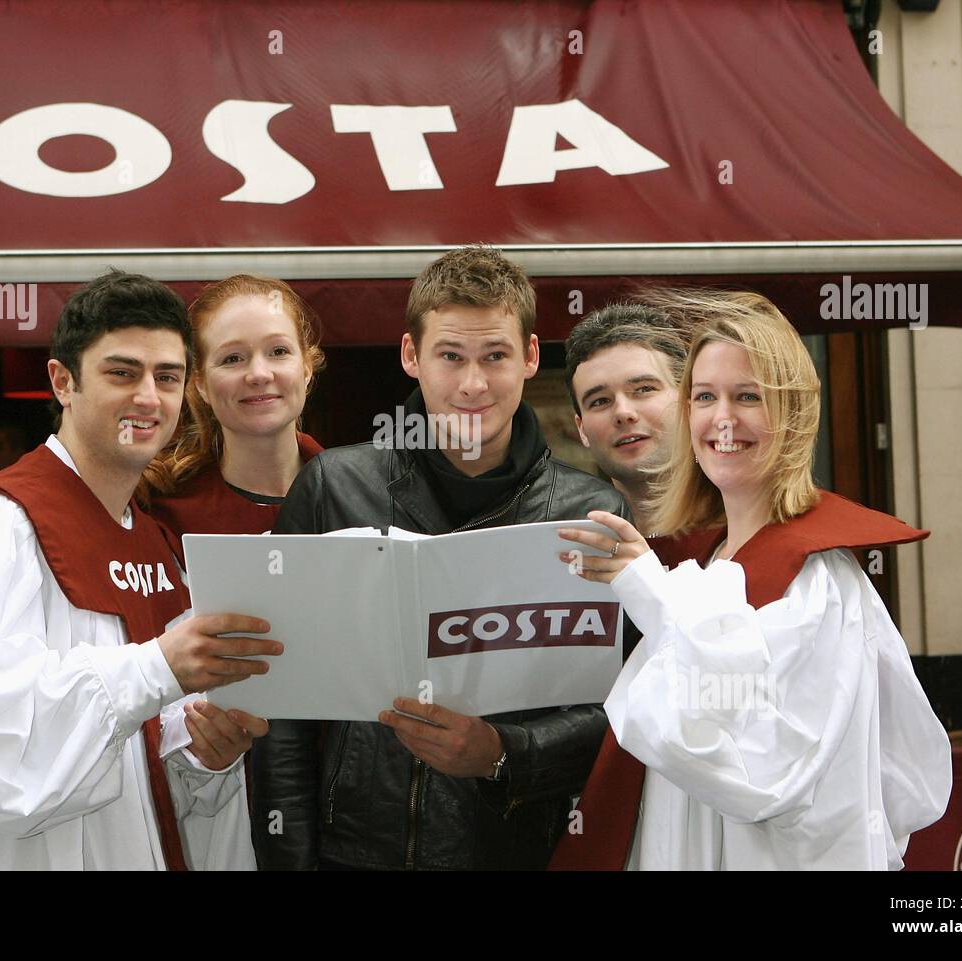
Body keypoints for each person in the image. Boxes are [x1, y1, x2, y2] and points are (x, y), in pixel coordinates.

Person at [0, 270, 282, 870]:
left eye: (167, 377)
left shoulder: (158, 546)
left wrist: (203, 754)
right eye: (122, 372)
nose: (149, 397)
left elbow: (141, 768)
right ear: (63, 381)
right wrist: (154, 667)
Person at [250, 245, 631, 870]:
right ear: (411, 357)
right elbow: (282, 704)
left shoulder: (591, 513)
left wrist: (503, 751)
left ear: (531, 358)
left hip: (517, 853)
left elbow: (622, 709)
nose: (473, 384)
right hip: (356, 853)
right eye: (451, 356)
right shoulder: (334, 487)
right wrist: (291, 860)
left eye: (496, 357)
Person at [552, 288, 952, 870]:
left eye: (748, 397)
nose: (723, 420)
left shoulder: (814, 577)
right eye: (706, 396)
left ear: (792, 413)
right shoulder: (719, 561)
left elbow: (759, 771)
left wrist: (648, 592)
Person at [144, 275, 324, 541]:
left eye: (278, 351)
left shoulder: (365, 498)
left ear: (306, 368)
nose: (259, 374)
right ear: (200, 383)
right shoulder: (161, 515)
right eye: (233, 358)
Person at [563, 302, 689, 526]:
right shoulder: (564, 547)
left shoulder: (749, 532)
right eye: (600, 401)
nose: (623, 412)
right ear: (581, 429)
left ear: (689, 403)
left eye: (644, 389)